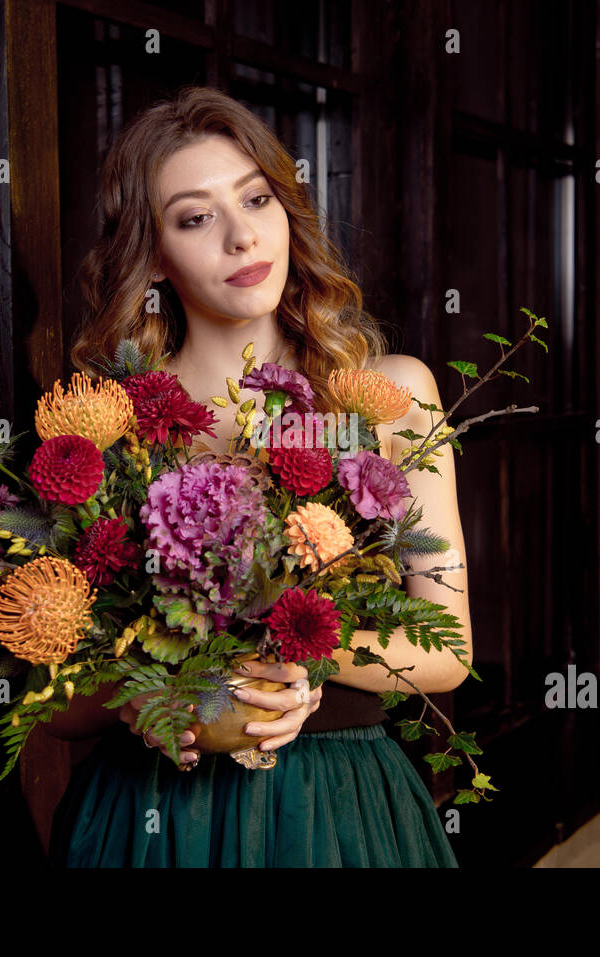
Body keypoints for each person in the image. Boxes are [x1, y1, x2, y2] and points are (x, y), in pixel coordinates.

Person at [46, 86, 473, 867]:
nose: (242, 236)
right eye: (196, 216)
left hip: (340, 814)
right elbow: (60, 708)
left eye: (257, 198)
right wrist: (147, 691)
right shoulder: (108, 424)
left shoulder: (392, 394)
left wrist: (303, 648)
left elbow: (448, 650)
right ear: (155, 257)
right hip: (154, 817)